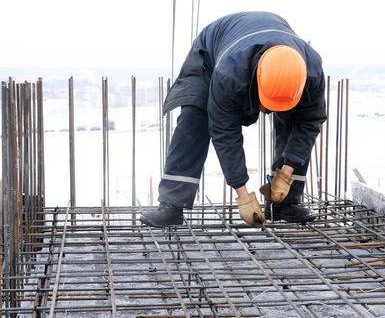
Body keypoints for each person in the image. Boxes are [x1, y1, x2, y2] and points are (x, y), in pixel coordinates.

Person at [139, 12, 326, 228]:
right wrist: (243, 194)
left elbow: (310, 123)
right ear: (257, 81)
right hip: (211, 57)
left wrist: (286, 173)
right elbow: (224, 132)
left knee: (297, 122)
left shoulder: (311, 73)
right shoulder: (229, 74)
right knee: (195, 117)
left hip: (260, 45)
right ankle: (171, 206)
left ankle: (284, 204)